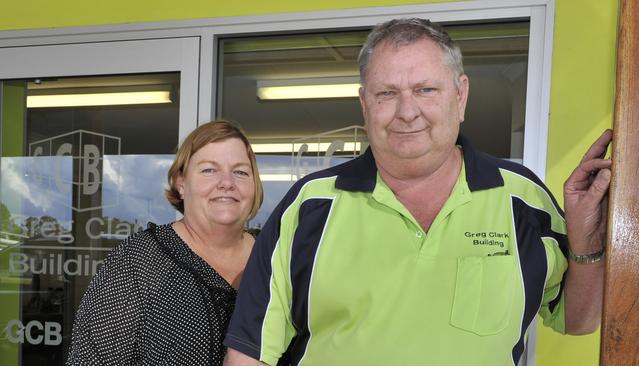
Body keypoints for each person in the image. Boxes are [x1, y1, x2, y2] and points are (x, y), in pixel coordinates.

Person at [222, 18, 611, 366]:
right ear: (365, 104)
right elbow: (249, 354)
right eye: (387, 94)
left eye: (425, 89)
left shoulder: (525, 200)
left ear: (460, 96)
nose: (407, 111)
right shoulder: (308, 206)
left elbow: (577, 319)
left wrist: (587, 240)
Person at [67, 120, 263, 365]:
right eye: (209, 170)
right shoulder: (138, 261)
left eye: (241, 172)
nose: (227, 182)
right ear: (181, 182)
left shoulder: (275, 257)